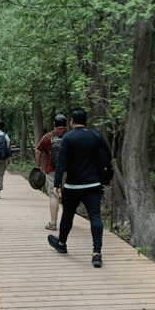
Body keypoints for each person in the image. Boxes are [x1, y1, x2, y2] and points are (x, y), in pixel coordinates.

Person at [47, 108, 112, 268]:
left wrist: (57, 184)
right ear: (86, 121)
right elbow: (107, 155)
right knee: (95, 217)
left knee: (68, 215)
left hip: (72, 185)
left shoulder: (68, 138)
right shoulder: (95, 136)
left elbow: (61, 162)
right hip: (93, 184)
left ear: (71, 121)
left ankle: (61, 243)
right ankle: (97, 254)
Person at [35, 114, 68, 230]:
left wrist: (38, 166)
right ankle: (67, 222)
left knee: (53, 196)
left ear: (54, 124)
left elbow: (38, 151)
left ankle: (53, 224)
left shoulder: (48, 137)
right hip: (67, 171)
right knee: (67, 196)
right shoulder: (70, 136)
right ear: (66, 124)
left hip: (51, 170)